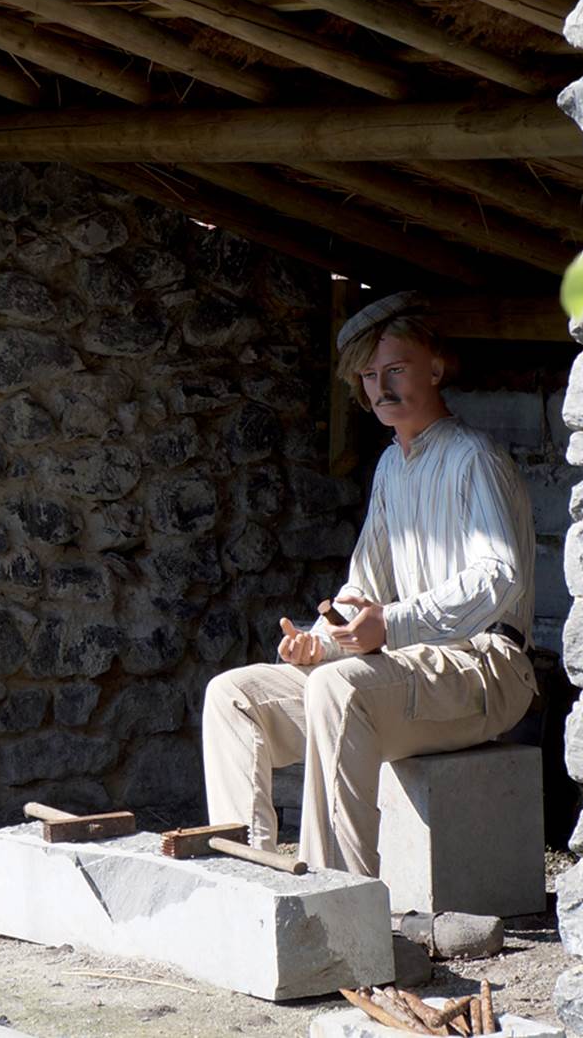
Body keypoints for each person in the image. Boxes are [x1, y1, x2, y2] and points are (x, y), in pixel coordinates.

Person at [202, 291, 539, 876]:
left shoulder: (473, 458)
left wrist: (393, 622)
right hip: (406, 672)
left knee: (339, 689)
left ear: (434, 368)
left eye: (396, 370)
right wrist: (323, 640)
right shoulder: (390, 467)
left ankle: (337, 902)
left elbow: (500, 577)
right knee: (233, 696)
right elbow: (364, 592)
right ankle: (251, 880)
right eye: (369, 375)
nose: (381, 386)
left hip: (486, 669)